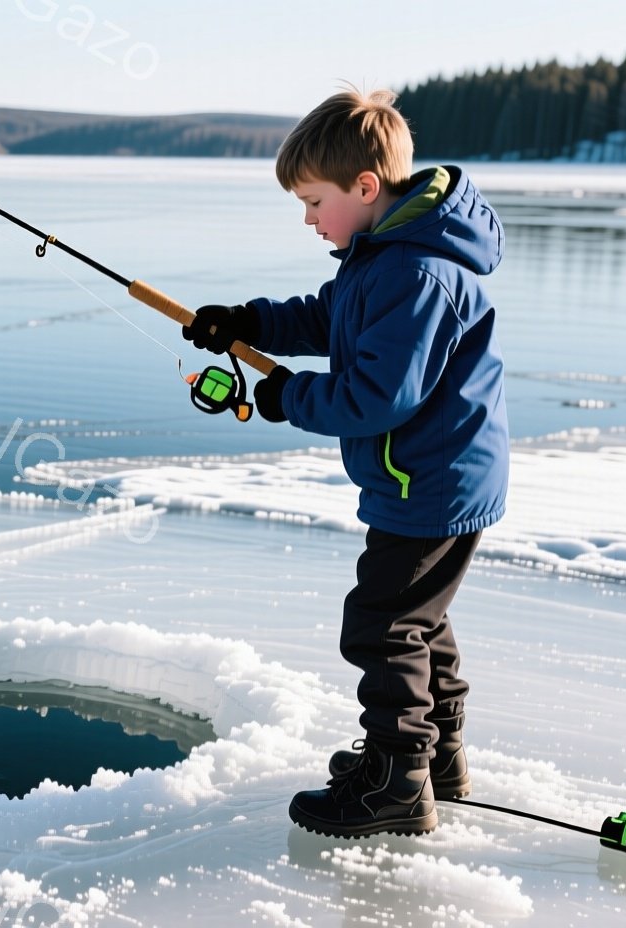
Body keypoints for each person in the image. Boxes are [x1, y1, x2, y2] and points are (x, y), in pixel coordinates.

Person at [183, 86, 510, 838]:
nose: (307, 218)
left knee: (382, 623)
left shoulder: (417, 275)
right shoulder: (383, 255)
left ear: (365, 188)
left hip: (428, 482)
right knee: (421, 620)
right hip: (437, 477)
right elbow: (330, 316)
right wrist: (248, 322)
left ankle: (397, 779)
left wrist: (288, 397)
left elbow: (374, 397)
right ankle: (437, 756)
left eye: (312, 200)